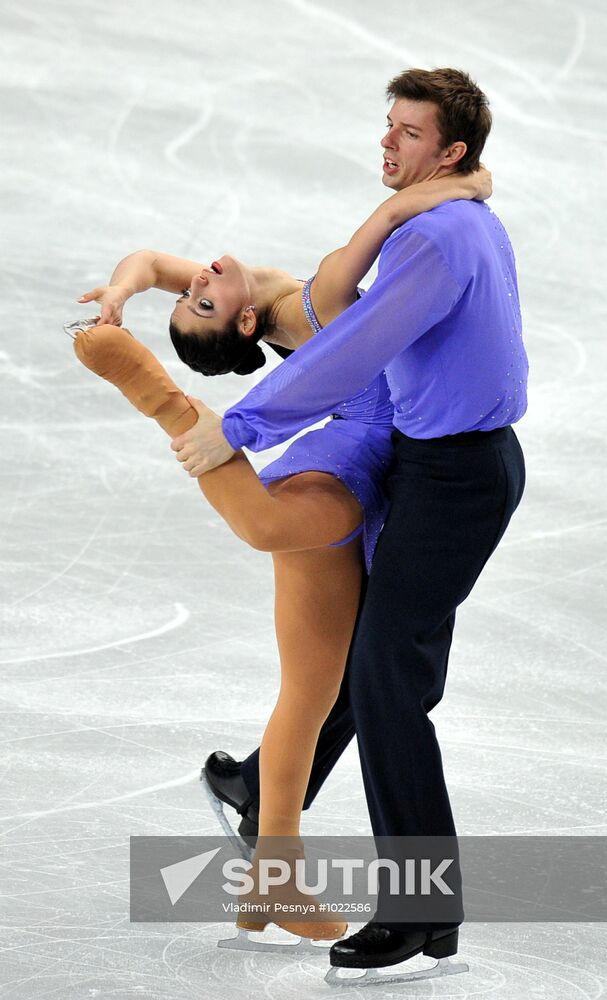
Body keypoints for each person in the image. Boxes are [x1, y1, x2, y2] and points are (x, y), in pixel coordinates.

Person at [167, 66, 529, 978]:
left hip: (454, 478)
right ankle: (267, 792)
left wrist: (237, 428)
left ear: (449, 152)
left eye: (408, 134)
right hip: (430, 462)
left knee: (385, 681)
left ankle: (418, 907)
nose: (386, 143)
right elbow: (334, 294)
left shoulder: (437, 240)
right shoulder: (436, 221)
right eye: (388, 126)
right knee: (377, 666)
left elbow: (350, 347)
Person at [74, 164, 490, 943]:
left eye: (193, 291)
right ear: (239, 328)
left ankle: (272, 877)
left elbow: (153, 261)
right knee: (265, 528)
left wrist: (120, 293)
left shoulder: (237, 286)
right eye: (201, 298)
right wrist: (416, 198)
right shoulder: (296, 308)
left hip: (364, 458)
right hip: (356, 457)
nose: (197, 279)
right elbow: (353, 263)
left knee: (311, 689)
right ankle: (168, 406)